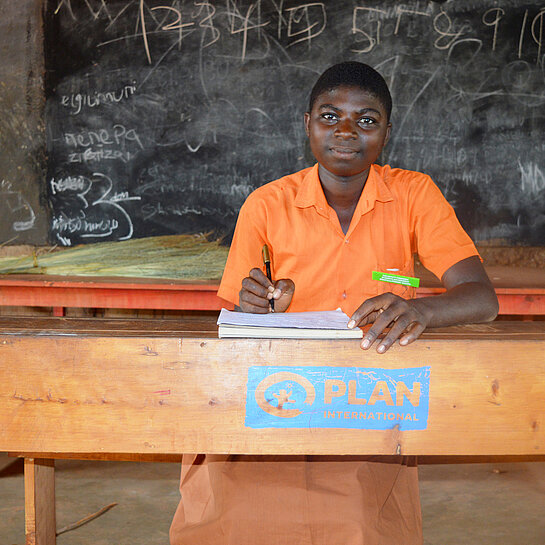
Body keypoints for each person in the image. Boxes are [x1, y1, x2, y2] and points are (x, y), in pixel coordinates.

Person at [170, 62, 499, 545]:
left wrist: (421, 310)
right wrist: (253, 306)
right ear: (308, 124)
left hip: (365, 400)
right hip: (279, 392)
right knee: (237, 516)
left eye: (367, 120)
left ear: (387, 131)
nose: (346, 131)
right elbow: (238, 320)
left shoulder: (414, 195)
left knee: (360, 524)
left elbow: (482, 298)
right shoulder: (266, 204)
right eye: (330, 116)